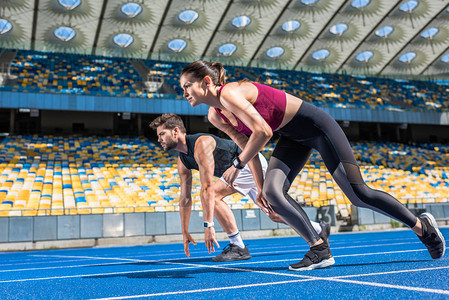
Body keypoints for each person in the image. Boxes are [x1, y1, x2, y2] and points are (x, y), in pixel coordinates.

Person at [179, 60, 446, 271]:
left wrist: (237, 165)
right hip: (292, 136)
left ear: (205, 82)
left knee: (357, 194)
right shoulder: (215, 114)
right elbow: (246, 143)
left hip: (317, 127)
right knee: (272, 192)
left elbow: (262, 132)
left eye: (187, 86)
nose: (184, 93)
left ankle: (421, 227)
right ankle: (319, 249)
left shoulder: (230, 93)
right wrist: (259, 189)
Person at [150, 113, 331, 262]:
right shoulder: (182, 161)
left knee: (213, 195)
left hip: (248, 164)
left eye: (161, 134)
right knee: (274, 214)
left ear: (175, 131)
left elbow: (207, 188)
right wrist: (184, 232)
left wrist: (208, 225)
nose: (159, 139)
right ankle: (317, 229)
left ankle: (238, 246)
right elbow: (185, 199)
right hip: (235, 174)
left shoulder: (201, 144)